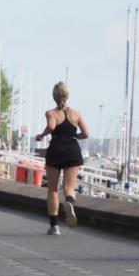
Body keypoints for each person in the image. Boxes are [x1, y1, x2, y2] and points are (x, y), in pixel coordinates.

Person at [35, 81, 90, 235]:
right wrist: (74, 136)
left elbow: (52, 127)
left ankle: (54, 226)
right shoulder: (76, 114)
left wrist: (42, 134)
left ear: (54, 97)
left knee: (52, 189)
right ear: (67, 96)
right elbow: (86, 133)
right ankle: (70, 202)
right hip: (72, 149)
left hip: (56, 150)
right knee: (69, 187)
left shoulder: (51, 113)